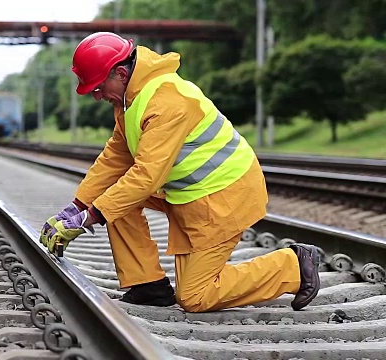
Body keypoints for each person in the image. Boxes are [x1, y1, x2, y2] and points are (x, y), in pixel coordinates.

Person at [39, 32, 321, 313]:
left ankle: (293, 266)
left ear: (121, 73)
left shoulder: (166, 102)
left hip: (222, 196)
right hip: (192, 195)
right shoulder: (130, 100)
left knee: (196, 297)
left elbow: (146, 177)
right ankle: (148, 285)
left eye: (99, 87)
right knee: (113, 200)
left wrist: (88, 218)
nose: (97, 96)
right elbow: (115, 158)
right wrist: (76, 207)